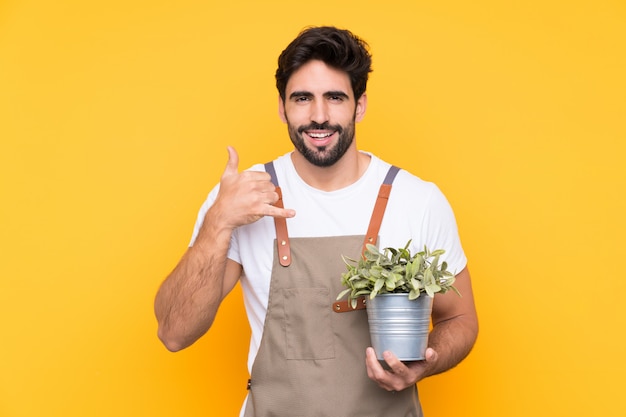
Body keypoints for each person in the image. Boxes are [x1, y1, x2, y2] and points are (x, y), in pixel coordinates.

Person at [154, 26, 478, 416]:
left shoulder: (418, 200)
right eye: (303, 98)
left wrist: (426, 362)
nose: (319, 116)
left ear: (359, 105)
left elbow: (460, 318)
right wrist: (218, 221)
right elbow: (174, 333)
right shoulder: (243, 197)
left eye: (335, 97)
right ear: (282, 107)